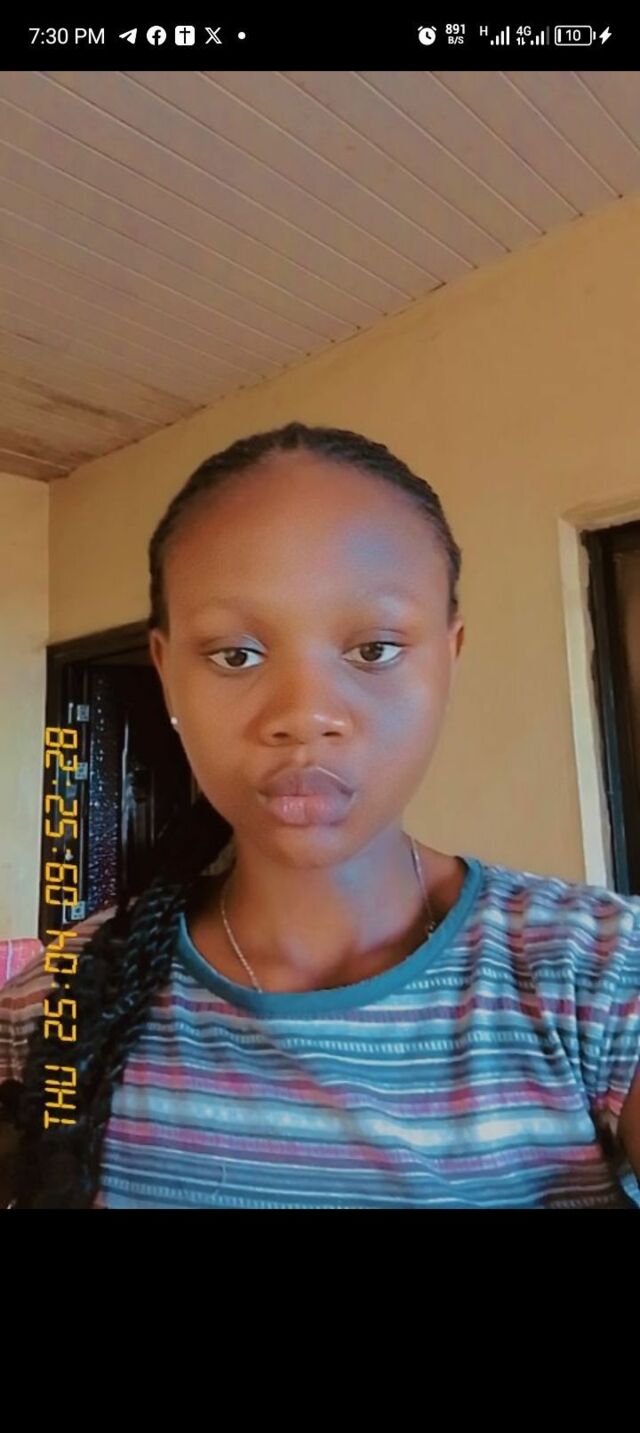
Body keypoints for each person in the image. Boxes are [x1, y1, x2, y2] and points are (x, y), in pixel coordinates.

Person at [1, 420, 639, 1210]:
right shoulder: (60, 1001)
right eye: (236, 654)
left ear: (449, 658)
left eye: (374, 649)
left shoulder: (600, 976)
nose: (304, 715)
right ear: (166, 673)